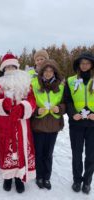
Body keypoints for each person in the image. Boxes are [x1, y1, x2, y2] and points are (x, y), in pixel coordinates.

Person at [0, 53, 36, 193]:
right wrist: (4, 104)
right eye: (7, 67)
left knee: (21, 149)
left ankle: (19, 177)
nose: (10, 69)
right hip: (5, 123)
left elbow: (32, 101)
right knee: (7, 150)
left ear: (17, 67)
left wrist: (23, 108)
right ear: (3, 69)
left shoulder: (26, 82)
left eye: (12, 66)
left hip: (22, 123)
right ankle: (8, 177)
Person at [31, 59, 65, 190]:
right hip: (38, 124)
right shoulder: (34, 84)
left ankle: (47, 177)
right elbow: (29, 103)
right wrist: (36, 111)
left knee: (48, 153)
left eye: (51, 71)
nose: (48, 73)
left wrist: (60, 109)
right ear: (42, 72)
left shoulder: (61, 86)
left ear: (55, 72)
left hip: (53, 124)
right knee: (38, 152)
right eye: (46, 70)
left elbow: (65, 103)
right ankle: (39, 176)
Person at [65, 52, 94, 194]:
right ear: (78, 64)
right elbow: (67, 100)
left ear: (91, 65)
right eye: (82, 63)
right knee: (76, 153)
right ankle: (77, 180)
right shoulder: (70, 80)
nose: (85, 66)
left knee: (91, 155)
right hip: (76, 123)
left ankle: (87, 181)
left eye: (87, 63)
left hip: (92, 124)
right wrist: (72, 114)